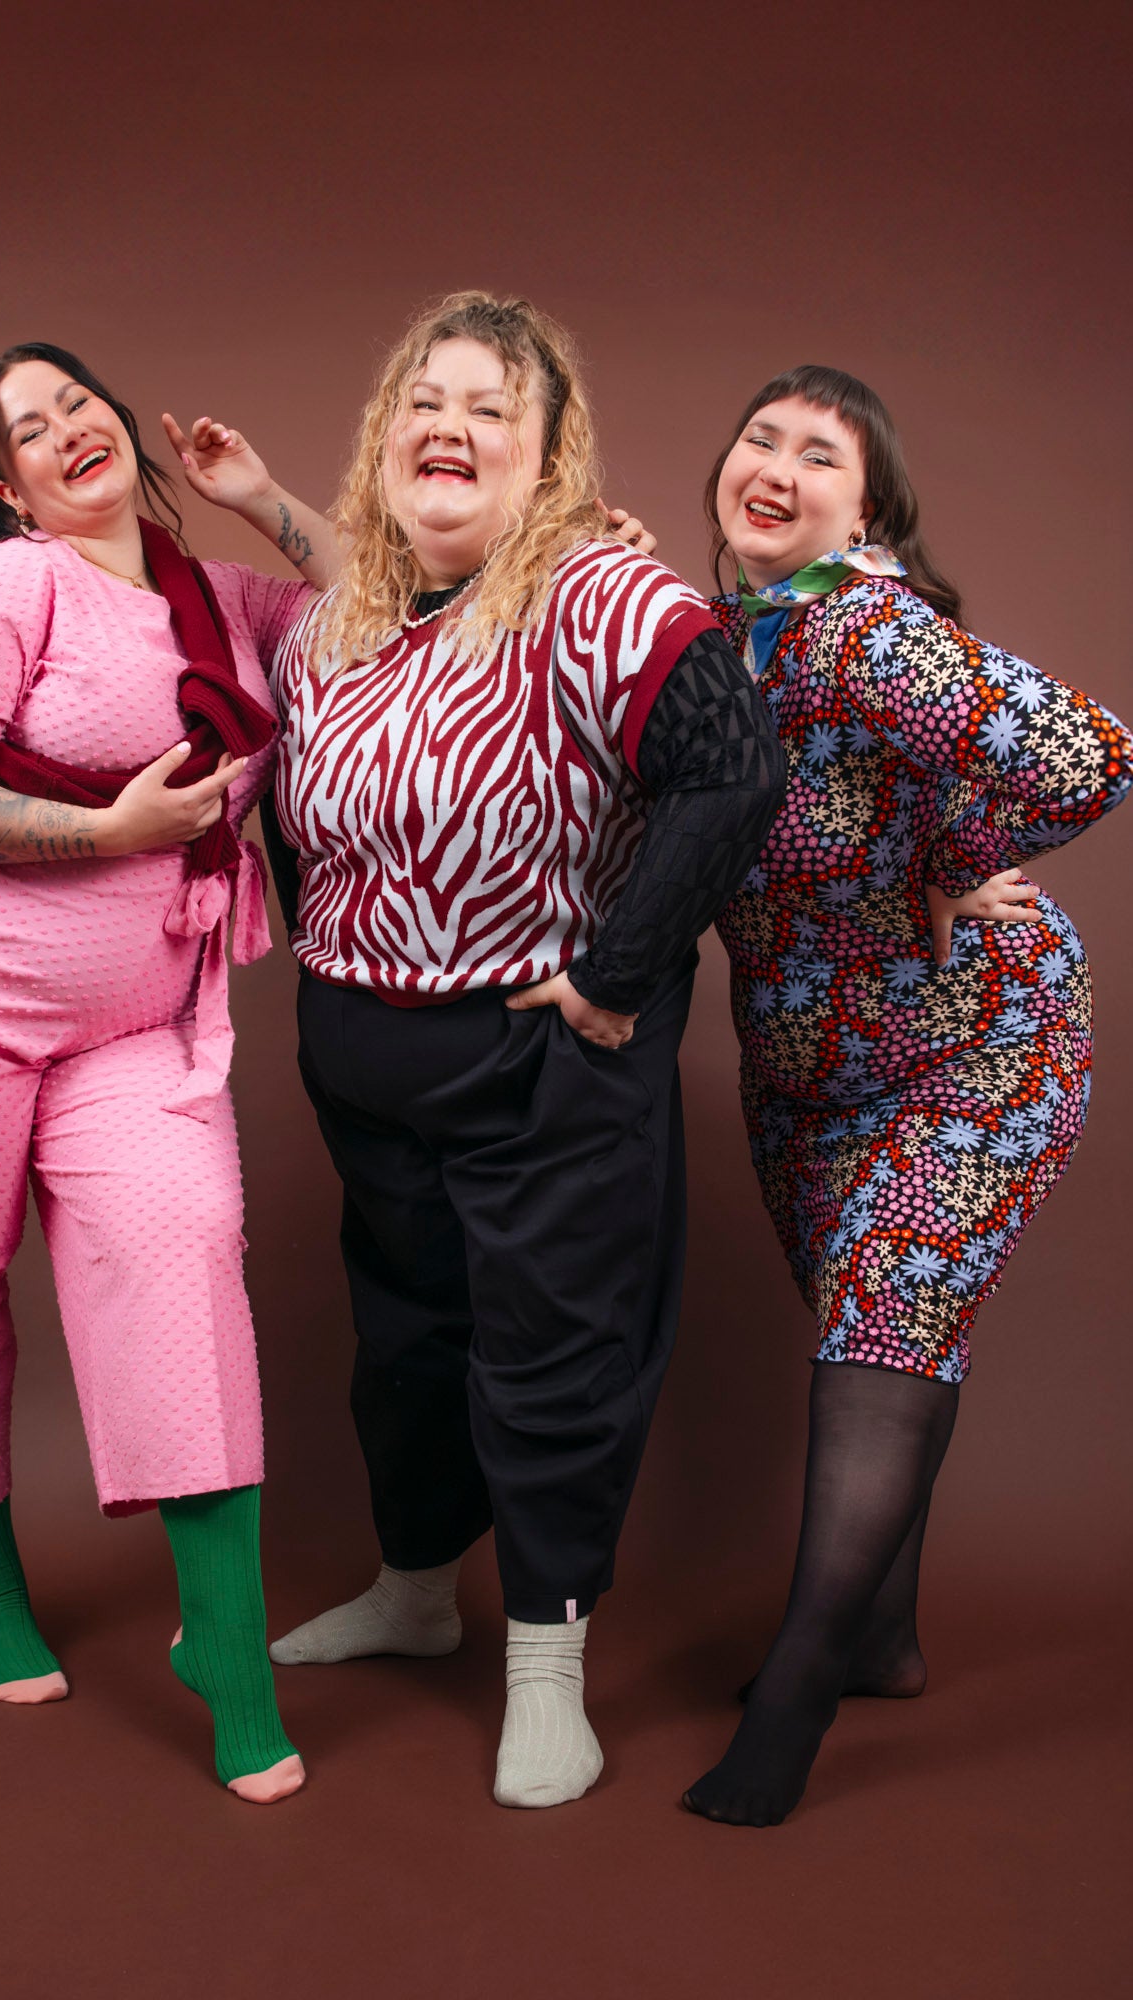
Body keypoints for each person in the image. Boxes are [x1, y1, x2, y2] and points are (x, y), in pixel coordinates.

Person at [183, 291, 786, 1809]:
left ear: (547, 455)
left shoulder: (599, 591)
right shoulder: (343, 619)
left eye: (490, 408)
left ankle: (546, 1661)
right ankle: (414, 1592)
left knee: (549, 1356)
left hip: (542, 1063)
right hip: (366, 1058)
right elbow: (307, 813)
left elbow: (732, 771)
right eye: (424, 401)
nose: (449, 426)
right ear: (384, 436)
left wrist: (614, 972)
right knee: (406, 1349)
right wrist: (339, 961)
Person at [0, 341, 340, 1803]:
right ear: (10, 488)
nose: (64, 430)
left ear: (119, 422)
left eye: (76, 401)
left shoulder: (222, 600)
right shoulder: (4, 591)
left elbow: (388, 609)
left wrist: (260, 496)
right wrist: (109, 834)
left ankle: (224, 1650)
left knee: (180, 1247)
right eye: (26, 431)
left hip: (134, 1016)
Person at [684, 365, 1132, 1826]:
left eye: (822, 454)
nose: (779, 465)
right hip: (805, 1074)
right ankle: (882, 1636)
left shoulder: (865, 627)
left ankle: (803, 1686)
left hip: (972, 1044)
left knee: (888, 1323)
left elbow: (1093, 755)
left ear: (866, 512)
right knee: (881, 1335)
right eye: (761, 437)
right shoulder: (721, 643)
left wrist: (955, 861)